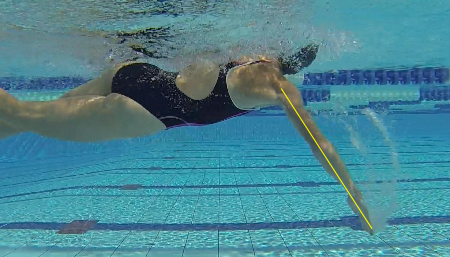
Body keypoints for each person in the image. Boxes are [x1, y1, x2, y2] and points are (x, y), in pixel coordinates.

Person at [0, 43, 374, 235]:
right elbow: (318, 143)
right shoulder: (280, 87)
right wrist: (351, 189)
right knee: (21, 114)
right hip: (143, 111)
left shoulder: (241, 51)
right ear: (295, 67)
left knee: (26, 120)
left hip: (135, 73)